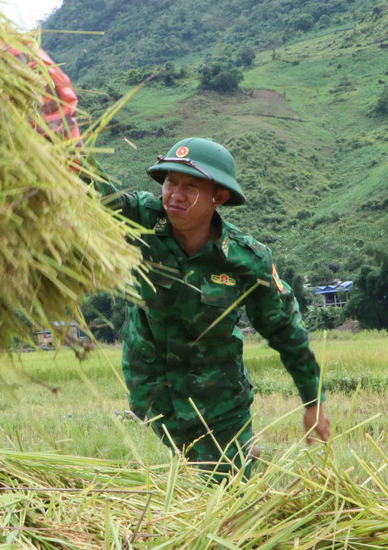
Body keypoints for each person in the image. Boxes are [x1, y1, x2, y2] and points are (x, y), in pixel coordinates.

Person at [96, 137, 331, 476]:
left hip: (217, 399)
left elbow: (285, 330)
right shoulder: (145, 219)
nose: (174, 194)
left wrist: (313, 400)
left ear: (218, 197)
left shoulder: (246, 259)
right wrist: (63, 136)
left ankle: (243, 464)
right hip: (153, 394)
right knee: (166, 491)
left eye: (190, 186)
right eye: (170, 182)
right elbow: (99, 196)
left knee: (227, 493)